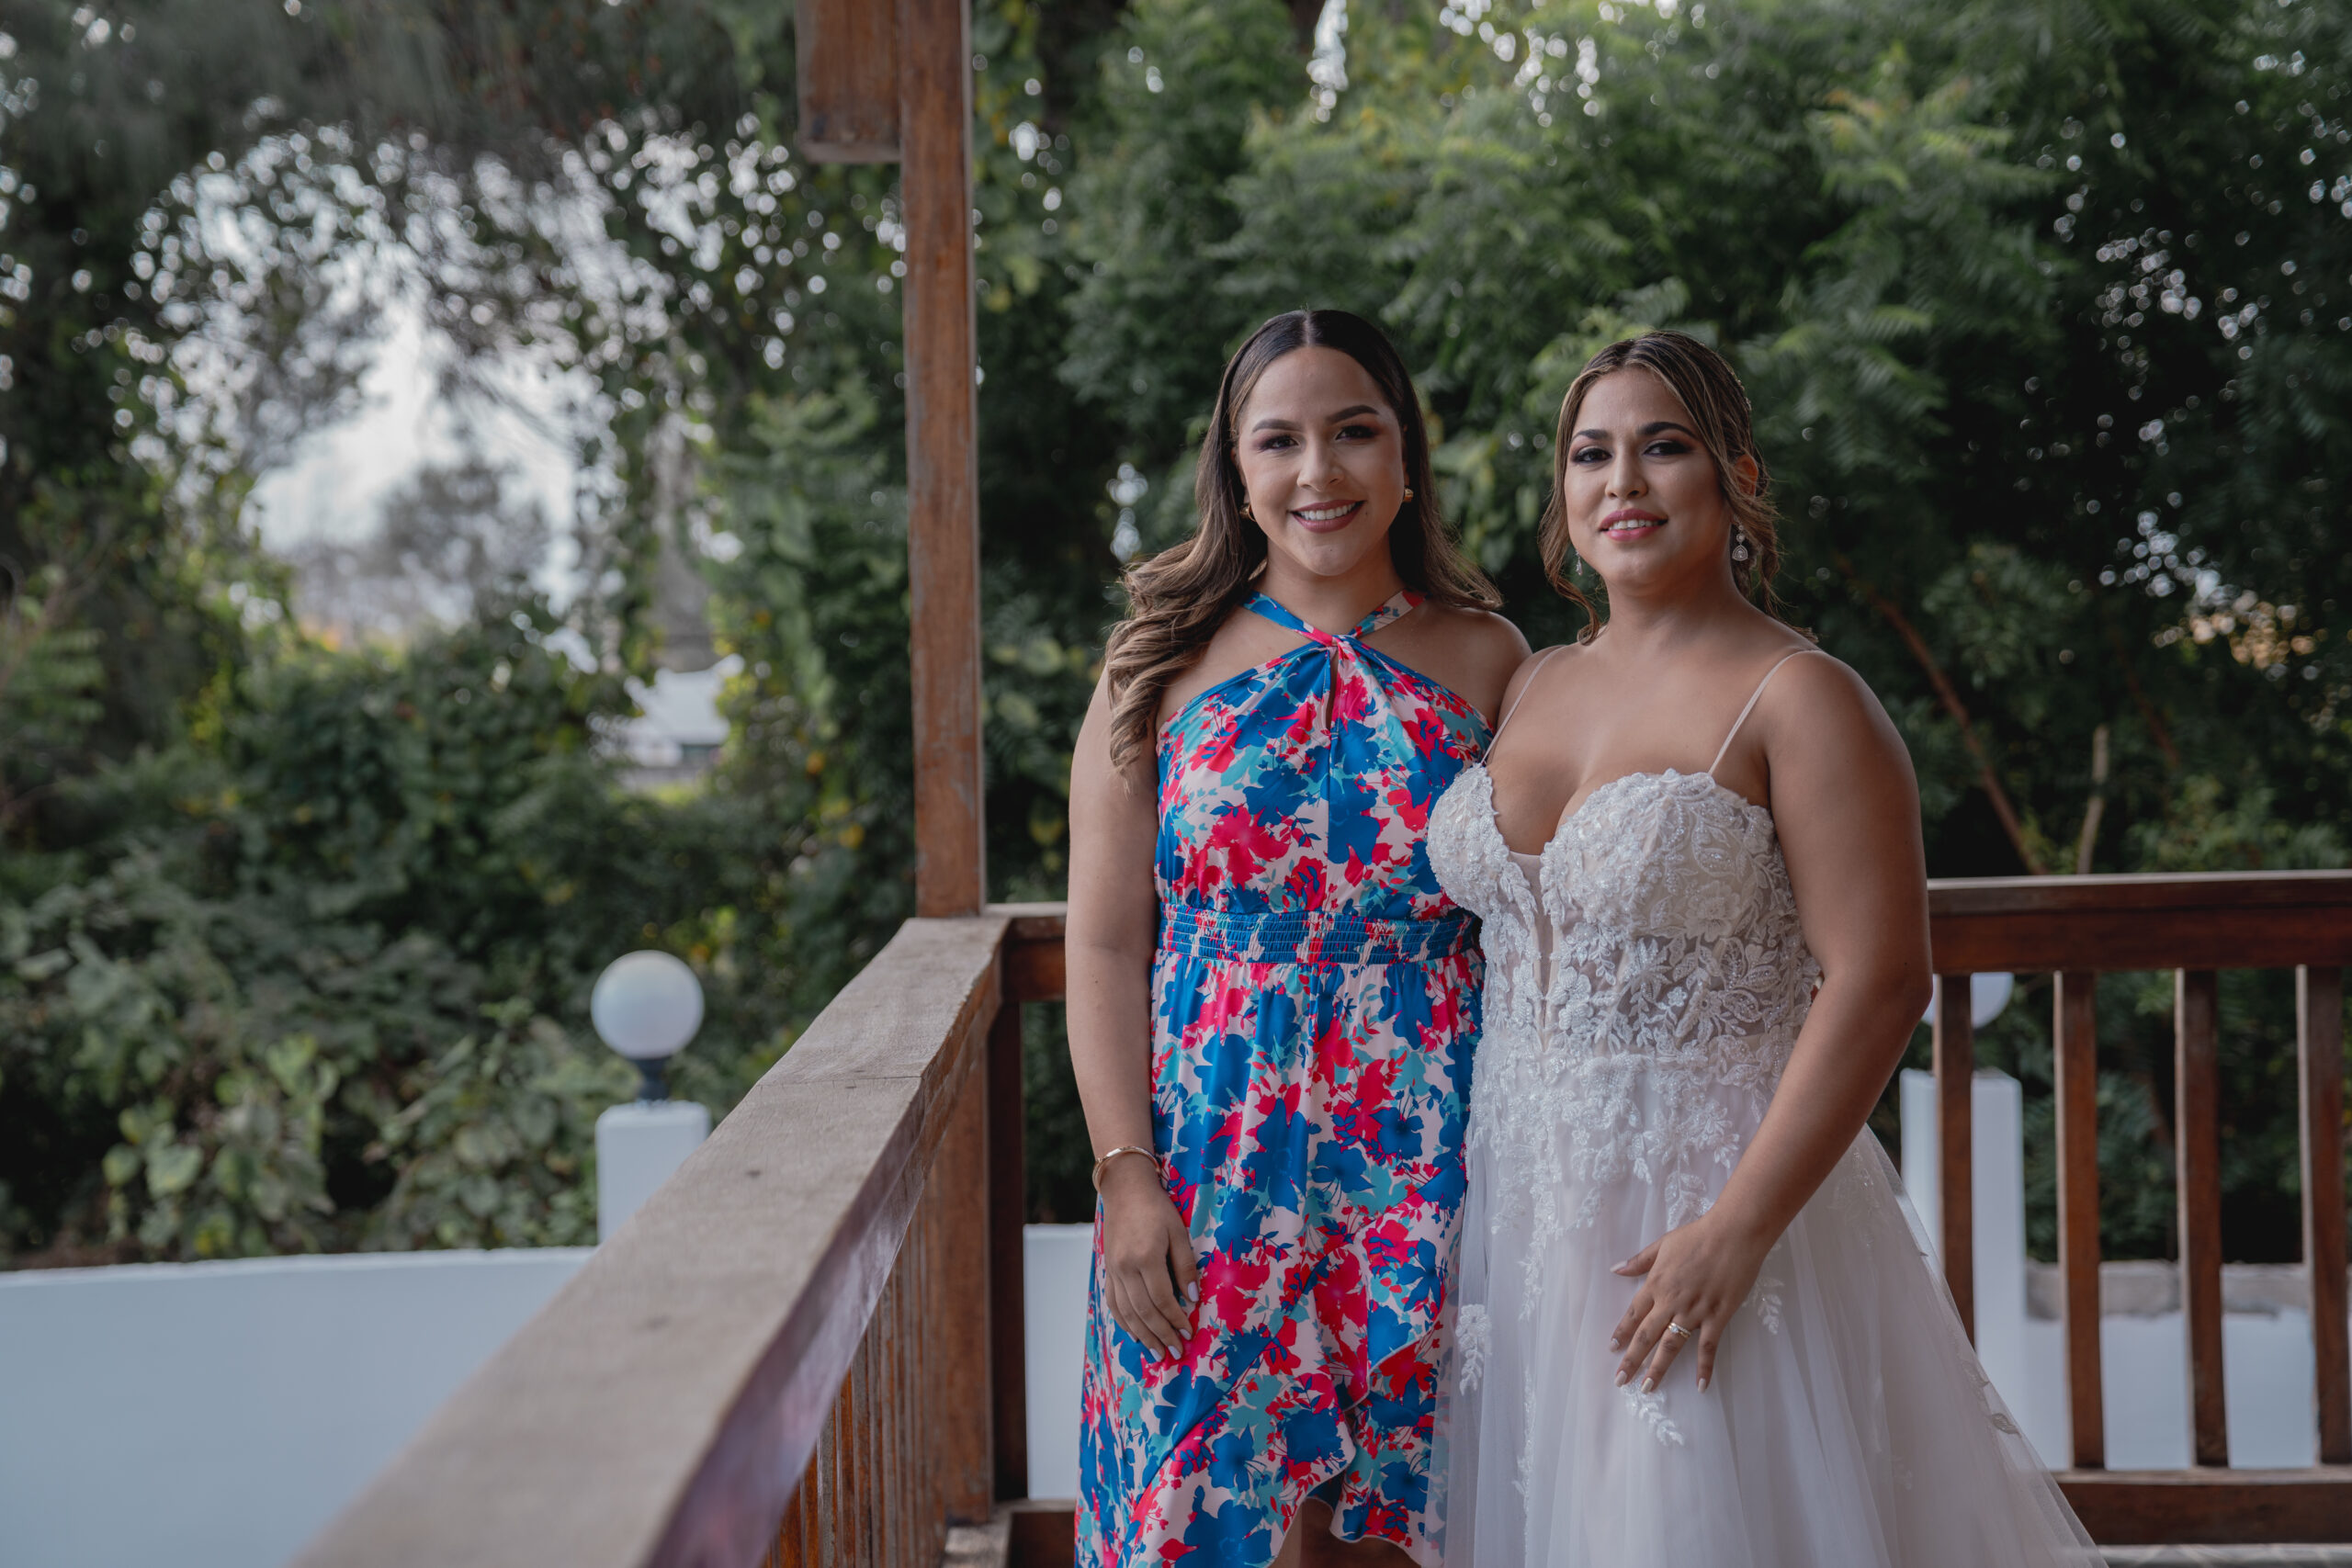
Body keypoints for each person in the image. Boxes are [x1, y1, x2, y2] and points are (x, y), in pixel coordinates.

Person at [1426, 331, 2098, 1565]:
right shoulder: (1530, 684)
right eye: (1592, 455)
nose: (1624, 482)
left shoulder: (1802, 696)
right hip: (1521, 1212)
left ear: (1735, 477)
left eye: (1663, 447)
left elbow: (1882, 979)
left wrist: (1736, 1229)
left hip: (1711, 1203)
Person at [1065, 309, 1528, 1568]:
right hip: (1209, 1157)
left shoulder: (1490, 660)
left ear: (1406, 456)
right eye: (1279, 440)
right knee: (1202, 1512)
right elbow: (1101, 944)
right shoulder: (1154, 664)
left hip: (1430, 1156)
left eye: (1354, 431)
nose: (1318, 471)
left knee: (1406, 1524)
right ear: (1236, 472)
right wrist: (1125, 1175)